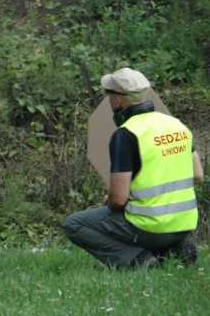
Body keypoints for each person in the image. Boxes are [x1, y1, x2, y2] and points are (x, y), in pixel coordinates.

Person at [64, 67, 203, 269]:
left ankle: (138, 260)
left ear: (117, 101)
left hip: (149, 227)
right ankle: (172, 250)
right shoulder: (176, 125)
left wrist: (108, 201)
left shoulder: (126, 134)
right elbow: (198, 176)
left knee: (74, 224)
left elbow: (119, 199)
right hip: (184, 224)